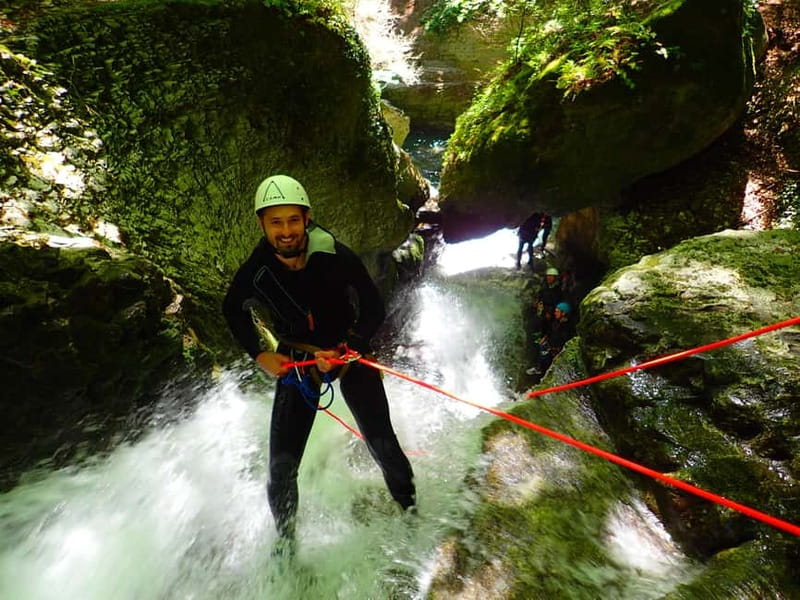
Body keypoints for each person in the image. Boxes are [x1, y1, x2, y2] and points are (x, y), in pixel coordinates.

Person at [222, 174, 416, 549]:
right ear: (262, 224)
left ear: (307, 218)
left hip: (348, 352)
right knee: (281, 469)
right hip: (298, 359)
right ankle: (287, 549)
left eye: (293, 220)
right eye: (276, 222)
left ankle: (411, 515)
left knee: (384, 445)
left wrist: (352, 344)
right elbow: (232, 309)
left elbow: (373, 306)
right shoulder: (257, 271)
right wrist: (260, 353)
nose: (286, 231)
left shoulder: (334, 255)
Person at [527, 301, 575, 376]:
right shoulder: (556, 322)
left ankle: (544, 372)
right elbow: (550, 331)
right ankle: (539, 368)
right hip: (550, 345)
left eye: (557, 311)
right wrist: (544, 338)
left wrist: (559, 352)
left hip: (556, 350)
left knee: (548, 360)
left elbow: (565, 341)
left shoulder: (567, 328)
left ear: (563, 313)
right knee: (541, 352)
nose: (555, 313)